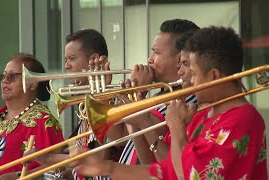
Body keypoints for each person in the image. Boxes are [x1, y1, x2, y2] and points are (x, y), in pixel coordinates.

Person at [69, 26, 268, 179]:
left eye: (193, 73)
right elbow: (163, 170)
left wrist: (176, 127)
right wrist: (105, 167)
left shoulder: (243, 118)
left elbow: (189, 175)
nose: (187, 80)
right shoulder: (203, 114)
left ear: (214, 75)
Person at [29, 29, 119, 180]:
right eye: (66, 60)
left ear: (94, 60)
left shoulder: (114, 104)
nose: (67, 66)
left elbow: (101, 156)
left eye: (72, 58)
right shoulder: (85, 106)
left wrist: (49, 159)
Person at [109, 19, 199, 165]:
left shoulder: (186, 102)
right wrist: (136, 97)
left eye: (156, 52)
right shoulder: (161, 95)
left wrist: (137, 102)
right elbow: (119, 136)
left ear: (180, 59)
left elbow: (150, 160)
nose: (149, 59)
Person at [0, 53, 65, 179]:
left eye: (12, 76)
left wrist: (19, 177)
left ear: (33, 84)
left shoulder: (43, 122)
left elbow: (60, 166)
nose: (5, 80)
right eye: (3, 76)